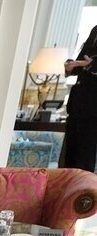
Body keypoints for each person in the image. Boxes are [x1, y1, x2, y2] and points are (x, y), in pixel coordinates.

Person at [62, 25, 97, 172]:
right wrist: (71, 67)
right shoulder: (95, 30)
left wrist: (92, 65)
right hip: (78, 101)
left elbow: (89, 63)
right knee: (71, 150)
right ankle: (66, 181)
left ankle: (83, 184)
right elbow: (81, 60)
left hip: (93, 106)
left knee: (85, 153)